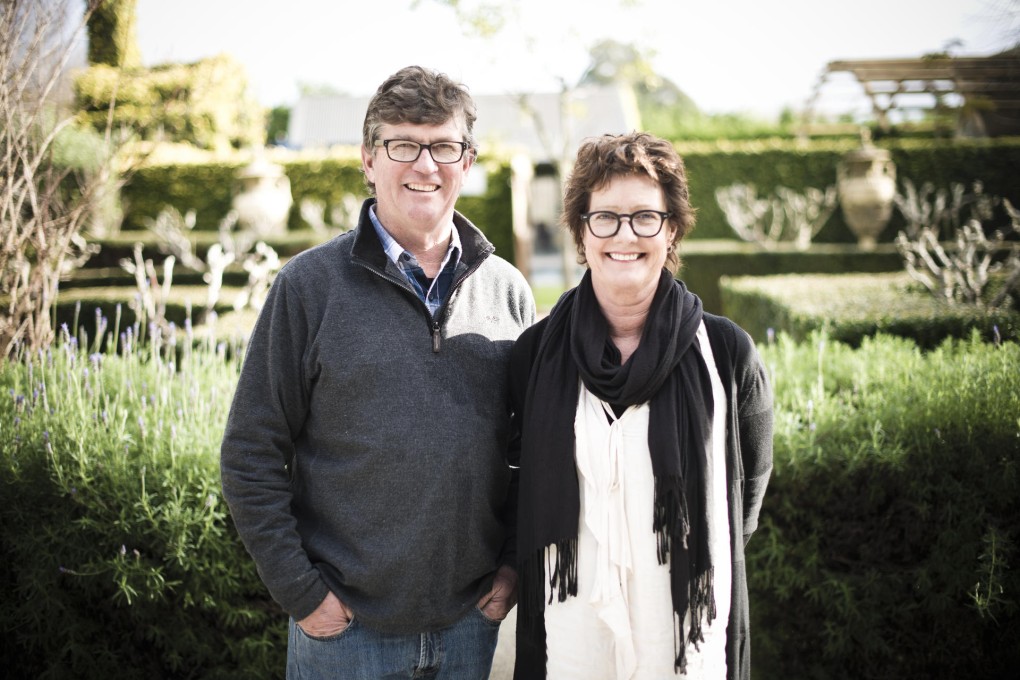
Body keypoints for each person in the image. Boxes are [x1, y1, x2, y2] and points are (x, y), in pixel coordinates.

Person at [220, 65, 535, 680]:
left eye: (444, 146)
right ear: (369, 159)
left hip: (469, 629)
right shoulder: (307, 288)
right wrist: (302, 593)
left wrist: (513, 563)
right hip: (346, 637)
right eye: (403, 146)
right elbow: (250, 452)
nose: (425, 165)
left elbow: (532, 451)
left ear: (467, 161)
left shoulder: (509, 294)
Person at [510, 132, 773, 680]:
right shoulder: (535, 356)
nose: (624, 234)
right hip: (571, 638)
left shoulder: (726, 353)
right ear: (582, 231)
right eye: (605, 217)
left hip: (683, 642)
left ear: (671, 228)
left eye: (645, 217)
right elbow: (513, 484)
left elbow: (746, 489)